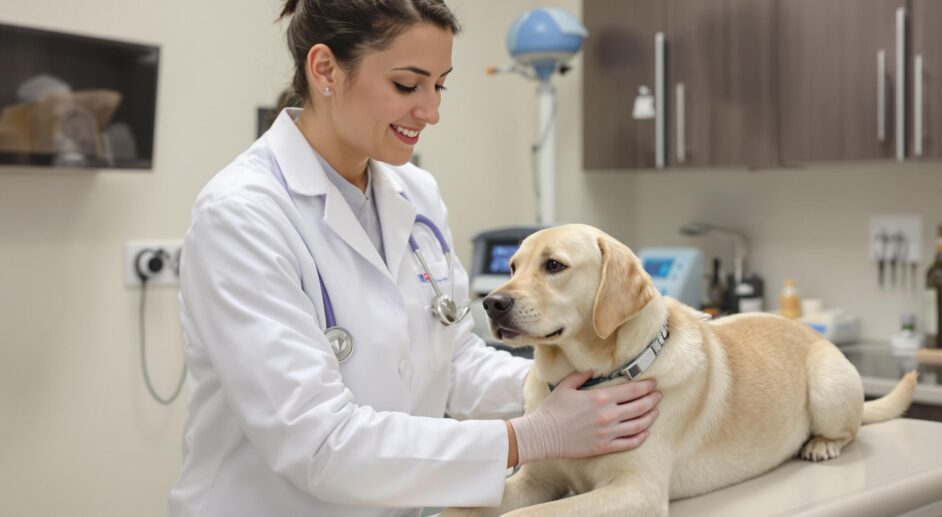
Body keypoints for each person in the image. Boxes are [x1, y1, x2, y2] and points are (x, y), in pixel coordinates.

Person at [168, 1, 661, 516]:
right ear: (324, 70)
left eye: (439, 85)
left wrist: (596, 391)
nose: (431, 111)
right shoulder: (242, 215)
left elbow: (454, 364)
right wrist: (528, 436)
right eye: (408, 85)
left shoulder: (415, 194)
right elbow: (319, 443)